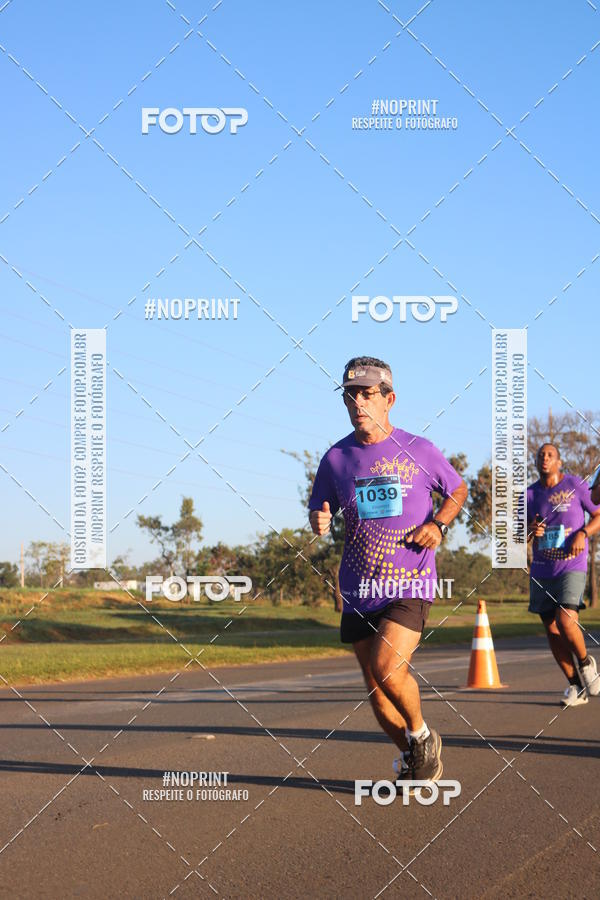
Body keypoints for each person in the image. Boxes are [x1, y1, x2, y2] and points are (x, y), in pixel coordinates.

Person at [308, 356, 467, 785]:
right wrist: (319, 520)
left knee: (388, 668)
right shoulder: (336, 458)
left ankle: (422, 735)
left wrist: (438, 523)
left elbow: (457, 489)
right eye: (350, 394)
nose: (357, 401)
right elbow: (318, 508)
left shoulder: (420, 450)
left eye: (366, 393)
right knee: (378, 697)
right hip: (358, 587)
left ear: (389, 399)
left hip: (407, 582)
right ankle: (418, 758)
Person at [527, 443, 600, 706]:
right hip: (542, 568)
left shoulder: (575, 484)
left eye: (550, 455)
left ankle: (585, 661)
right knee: (551, 630)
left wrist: (583, 532)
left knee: (566, 620)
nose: (544, 459)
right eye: (540, 455)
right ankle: (575, 687)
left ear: (559, 462)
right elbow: (517, 535)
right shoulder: (530, 494)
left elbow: (597, 514)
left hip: (571, 564)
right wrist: (529, 531)